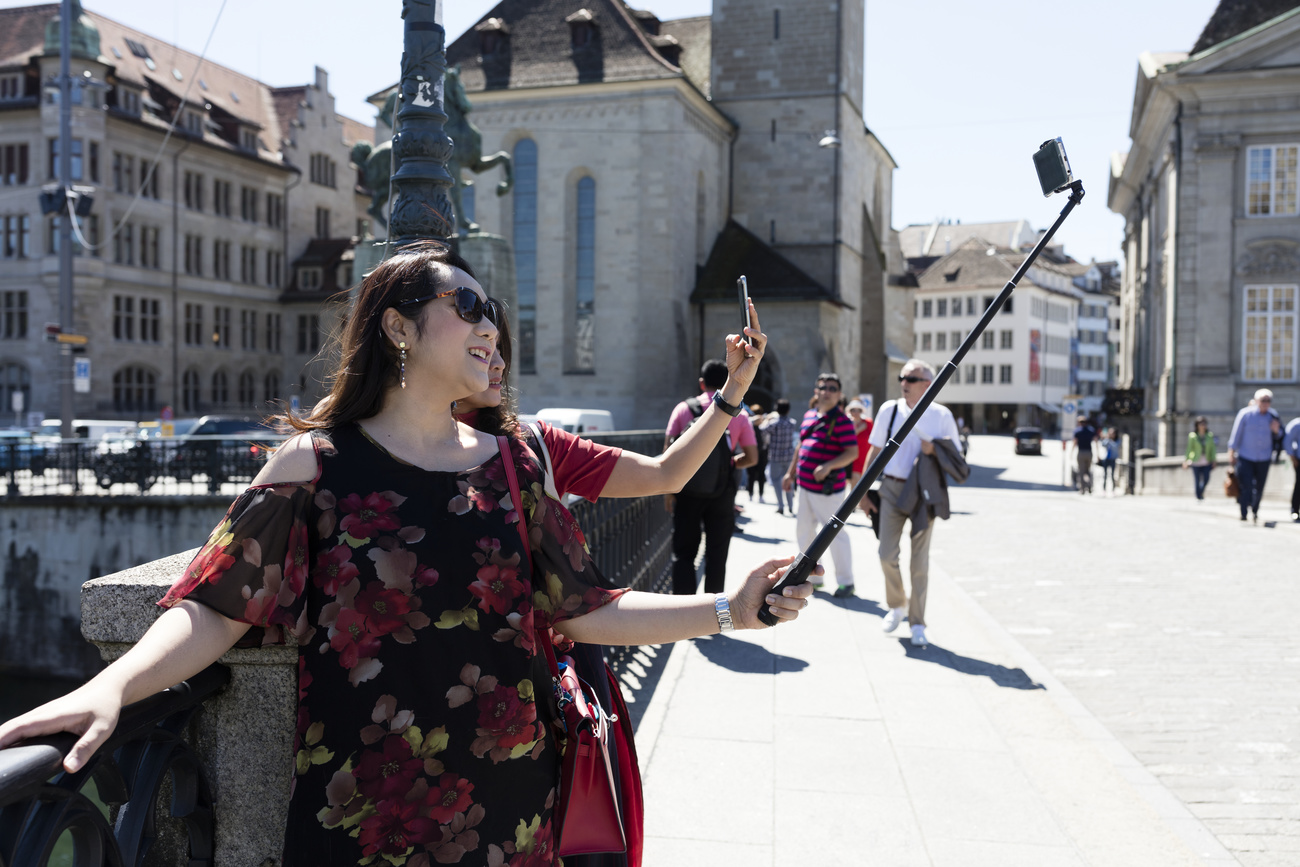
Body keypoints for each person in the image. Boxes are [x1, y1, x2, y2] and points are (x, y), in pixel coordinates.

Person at [0, 244, 814, 867]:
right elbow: (214, 606)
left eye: (491, 309)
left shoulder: (515, 461)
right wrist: (112, 685)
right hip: (361, 814)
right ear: (397, 324)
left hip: (508, 803)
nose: (489, 325)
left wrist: (728, 610)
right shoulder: (314, 465)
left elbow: (583, 608)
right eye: (466, 305)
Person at [862, 359, 962, 647]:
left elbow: (955, 458)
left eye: (911, 378)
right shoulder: (889, 409)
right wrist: (863, 492)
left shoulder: (941, 415)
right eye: (902, 377)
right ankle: (897, 605)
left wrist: (934, 450)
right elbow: (875, 450)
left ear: (927, 384)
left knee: (919, 562)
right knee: (886, 554)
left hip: (923, 493)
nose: (904, 383)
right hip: (891, 489)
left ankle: (917, 622)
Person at [664, 359, 758, 596]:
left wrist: (668, 492)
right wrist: (729, 463)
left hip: (686, 488)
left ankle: (680, 611)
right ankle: (711, 611)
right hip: (722, 493)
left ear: (701, 383)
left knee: (684, 552)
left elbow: (667, 453)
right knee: (717, 552)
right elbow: (752, 457)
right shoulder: (739, 413)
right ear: (726, 382)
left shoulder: (684, 409)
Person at [782, 373, 859, 598]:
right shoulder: (809, 415)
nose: (826, 391)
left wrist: (828, 466)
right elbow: (801, 446)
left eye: (832, 388)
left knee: (836, 538)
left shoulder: (842, 421)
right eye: (823, 387)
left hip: (827, 492)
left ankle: (847, 582)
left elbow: (852, 452)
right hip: (805, 488)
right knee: (804, 533)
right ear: (816, 391)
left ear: (839, 394)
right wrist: (790, 473)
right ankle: (814, 578)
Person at [1228, 389, 1282, 523]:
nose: (1266, 403)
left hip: (1264, 457)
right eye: (1263, 400)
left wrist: (1276, 431)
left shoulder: (1273, 415)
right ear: (1256, 401)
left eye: (1268, 401)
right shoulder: (1245, 414)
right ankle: (1243, 512)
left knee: (1260, 486)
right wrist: (1231, 452)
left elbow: (1280, 435)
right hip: (1246, 455)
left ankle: (1256, 510)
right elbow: (1236, 434)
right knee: (1246, 485)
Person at [762, 399, 798, 516]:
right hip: (788, 456)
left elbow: (762, 429)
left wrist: (767, 419)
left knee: (776, 481)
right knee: (788, 481)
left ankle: (781, 506)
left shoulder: (774, 424)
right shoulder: (792, 423)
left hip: (775, 457)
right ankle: (791, 505)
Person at [1182, 416, 1217, 501]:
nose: (1203, 426)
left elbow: (1212, 448)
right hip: (1196, 461)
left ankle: (1200, 492)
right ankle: (1198, 495)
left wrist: (1214, 460)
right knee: (1197, 479)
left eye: (1204, 424)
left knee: (1206, 478)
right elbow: (1189, 448)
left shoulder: (1209, 435)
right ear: (1197, 425)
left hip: (1206, 460)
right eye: (1201, 424)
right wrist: (1186, 460)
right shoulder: (1193, 436)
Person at [846, 399, 874, 487]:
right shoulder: (847, 423)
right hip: (852, 459)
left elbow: (874, 440)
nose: (855, 412)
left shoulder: (868, 423)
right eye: (853, 410)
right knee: (854, 485)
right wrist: (857, 429)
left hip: (865, 458)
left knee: (863, 487)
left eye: (858, 410)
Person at [746, 403, 769, 503]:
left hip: (754, 451)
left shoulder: (750, 424)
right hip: (761, 451)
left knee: (753, 474)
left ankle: (752, 494)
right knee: (758, 474)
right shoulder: (751, 423)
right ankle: (758, 495)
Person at [1072, 414, 1097, 494]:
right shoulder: (1091, 430)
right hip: (1089, 452)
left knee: (1081, 471)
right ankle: (1089, 487)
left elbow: (1075, 442)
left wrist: (1071, 452)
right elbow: (1096, 441)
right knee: (1088, 471)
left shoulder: (1077, 431)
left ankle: (1082, 489)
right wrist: (1097, 453)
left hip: (1081, 452)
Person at [1283, 416, 1300, 522]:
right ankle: (1295, 510)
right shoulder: (1296, 424)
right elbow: (1287, 441)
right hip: (1299, 459)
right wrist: (1292, 457)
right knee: (1299, 486)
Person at [1099, 427, 1121, 495]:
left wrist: (1110, 440)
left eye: (1113, 433)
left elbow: (1115, 446)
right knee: (1104, 475)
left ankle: (1113, 490)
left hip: (1113, 459)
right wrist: (1107, 438)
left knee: (1112, 475)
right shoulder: (1107, 440)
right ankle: (1104, 490)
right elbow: (1103, 444)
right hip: (1106, 459)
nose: (1112, 435)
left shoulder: (1117, 440)